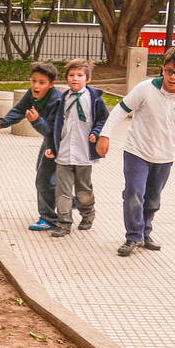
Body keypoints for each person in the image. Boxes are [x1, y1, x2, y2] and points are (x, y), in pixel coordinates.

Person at [96, 47, 175, 257]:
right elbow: (120, 110)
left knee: (152, 199)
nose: (172, 77)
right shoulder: (145, 88)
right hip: (136, 152)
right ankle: (133, 236)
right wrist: (105, 136)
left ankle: (145, 231)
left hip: (164, 158)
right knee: (134, 194)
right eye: (169, 71)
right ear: (163, 68)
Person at [0, 62, 63, 232]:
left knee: (43, 178)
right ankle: (70, 200)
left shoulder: (56, 100)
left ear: (51, 84)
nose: (36, 86)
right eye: (33, 80)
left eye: (41, 82)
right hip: (51, 139)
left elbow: (51, 131)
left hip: (60, 141)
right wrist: (2, 122)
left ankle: (49, 219)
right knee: (44, 172)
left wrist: (36, 121)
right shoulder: (32, 94)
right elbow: (20, 110)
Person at [42, 58, 109, 238]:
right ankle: (64, 223)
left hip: (84, 153)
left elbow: (104, 119)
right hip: (64, 152)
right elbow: (53, 125)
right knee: (62, 190)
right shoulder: (61, 100)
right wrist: (51, 146)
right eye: (71, 75)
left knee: (83, 189)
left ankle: (88, 214)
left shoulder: (94, 99)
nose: (75, 78)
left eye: (80, 75)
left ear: (88, 79)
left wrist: (96, 132)